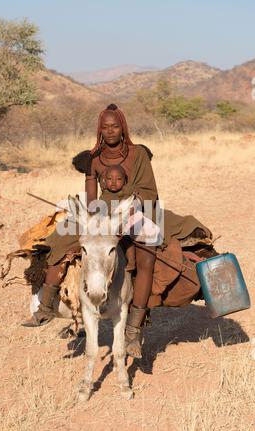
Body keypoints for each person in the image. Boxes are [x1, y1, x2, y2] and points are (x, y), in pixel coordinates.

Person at [22, 103, 212, 359]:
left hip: (139, 209)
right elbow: (91, 200)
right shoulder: (94, 158)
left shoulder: (139, 154)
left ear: (123, 128)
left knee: (147, 254)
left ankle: (133, 330)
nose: (110, 131)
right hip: (102, 210)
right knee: (59, 239)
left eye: (115, 126)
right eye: (105, 127)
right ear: (99, 129)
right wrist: (94, 216)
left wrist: (128, 209)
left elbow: (150, 193)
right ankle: (45, 306)